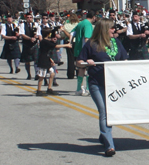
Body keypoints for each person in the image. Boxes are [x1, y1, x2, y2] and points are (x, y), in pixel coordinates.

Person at [76, 18, 128, 157]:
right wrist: (87, 62)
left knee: (110, 112)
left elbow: (124, 59)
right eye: (112, 28)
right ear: (104, 29)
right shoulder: (91, 44)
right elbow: (79, 62)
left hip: (113, 84)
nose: (114, 31)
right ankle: (109, 145)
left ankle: (103, 136)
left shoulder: (116, 43)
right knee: (104, 111)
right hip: (96, 83)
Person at [36, 28, 72, 96]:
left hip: (47, 58)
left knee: (52, 73)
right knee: (42, 75)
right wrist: (66, 45)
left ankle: (49, 88)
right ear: (48, 34)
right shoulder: (44, 41)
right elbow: (55, 46)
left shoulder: (46, 41)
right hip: (43, 60)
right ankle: (39, 90)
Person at [73, 11, 96, 96]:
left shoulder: (80, 23)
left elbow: (73, 33)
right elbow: (87, 38)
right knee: (88, 69)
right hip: (85, 50)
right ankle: (87, 88)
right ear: (93, 17)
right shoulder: (88, 24)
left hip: (78, 49)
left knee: (81, 69)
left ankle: (79, 88)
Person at [19, 13, 39, 80]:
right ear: (26, 18)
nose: (29, 19)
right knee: (27, 61)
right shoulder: (22, 25)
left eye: (30, 17)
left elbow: (39, 33)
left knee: (36, 60)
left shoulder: (36, 24)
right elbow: (22, 34)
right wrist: (30, 38)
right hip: (26, 44)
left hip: (35, 44)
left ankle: (37, 74)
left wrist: (37, 36)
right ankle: (29, 74)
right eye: (28, 17)